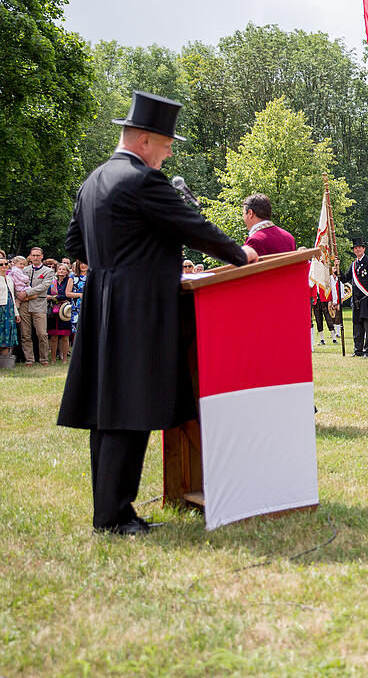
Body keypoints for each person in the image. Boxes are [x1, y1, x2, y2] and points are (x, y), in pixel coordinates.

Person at [57, 89, 257, 536]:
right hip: (137, 308)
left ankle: (111, 509)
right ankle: (114, 516)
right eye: (166, 146)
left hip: (102, 306)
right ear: (145, 140)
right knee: (129, 410)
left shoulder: (93, 181)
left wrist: (121, 255)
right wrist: (239, 254)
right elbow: (193, 227)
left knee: (110, 411)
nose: (167, 156)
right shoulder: (143, 181)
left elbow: (75, 245)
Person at [18, 246, 54, 366]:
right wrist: (21, 295)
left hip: (39, 304)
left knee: (42, 333)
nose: (35, 257)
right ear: (30, 256)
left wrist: (27, 293)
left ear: (42, 256)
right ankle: (29, 359)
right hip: (24, 305)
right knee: (25, 334)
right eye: (33, 255)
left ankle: (44, 359)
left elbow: (43, 287)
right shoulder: (24, 270)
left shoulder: (48, 271)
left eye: (38, 255)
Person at [347, 237, 368, 357]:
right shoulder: (353, 264)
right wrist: (336, 271)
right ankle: (358, 350)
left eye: (359, 247)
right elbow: (346, 278)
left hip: (366, 298)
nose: (357, 250)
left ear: (364, 249)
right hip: (356, 300)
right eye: (355, 248)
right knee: (357, 326)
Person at [47, 262, 73, 362]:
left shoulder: (69, 280)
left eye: (63, 269)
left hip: (65, 311)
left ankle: (64, 359)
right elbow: (47, 295)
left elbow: (66, 296)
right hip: (54, 311)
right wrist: (56, 297)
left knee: (65, 337)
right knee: (53, 337)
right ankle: (53, 359)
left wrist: (53, 297)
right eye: (59, 269)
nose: (61, 271)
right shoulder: (53, 281)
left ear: (67, 271)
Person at [0, 254, 20, 359]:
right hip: (0, 308)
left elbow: (12, 296)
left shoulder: (9, 279)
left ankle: (4, 360)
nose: (4, 266)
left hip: (9, 309)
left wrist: (16, 313)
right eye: (1, 264)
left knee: (8, 335)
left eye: (6, 264)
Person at [67, 260, 88, 339]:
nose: (83, 265)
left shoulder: (93, 276)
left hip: (91, 306)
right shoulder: (73, 276)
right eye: (81, 264)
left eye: (85, 263)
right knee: (78, 332)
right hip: (76, 308)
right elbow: (68, 293)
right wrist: (79, 295)